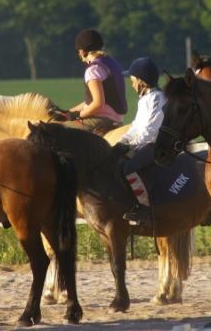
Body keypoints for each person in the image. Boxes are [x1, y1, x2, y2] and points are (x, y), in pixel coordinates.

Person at [112, 57, 166, 226]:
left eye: (133, 80)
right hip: (146, 143)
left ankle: (145, 209)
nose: (132, 84)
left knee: (128, 168)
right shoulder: (144, 99)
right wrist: (122, 142)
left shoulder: (158, 98)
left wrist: (131, 146)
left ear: (141, 81)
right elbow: (136, 126)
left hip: (156, 146)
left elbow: (150, 131)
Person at [63, 29, 128, 134]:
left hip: (102, 120)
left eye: (78, 51)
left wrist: (78, 115)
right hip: (118, 119)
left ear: (83, 51)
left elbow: (98, 103)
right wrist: (68, 112)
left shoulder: (93, 70)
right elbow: (91, 101)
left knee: (61, 130)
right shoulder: (112, 64)